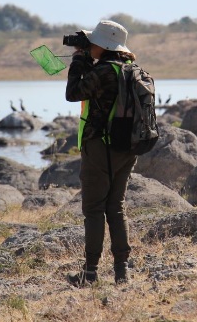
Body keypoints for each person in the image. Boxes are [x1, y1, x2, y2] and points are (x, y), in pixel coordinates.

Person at [64, 20, 138, 286]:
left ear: (102, 45)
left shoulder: (104, 71)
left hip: (100, 147)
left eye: (92, 42)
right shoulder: (132, 69)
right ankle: (122, 271)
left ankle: (90, 274)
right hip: (128, 147)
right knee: (116, 207)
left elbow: (73, 93)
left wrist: (79, 61)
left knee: (94, 209)